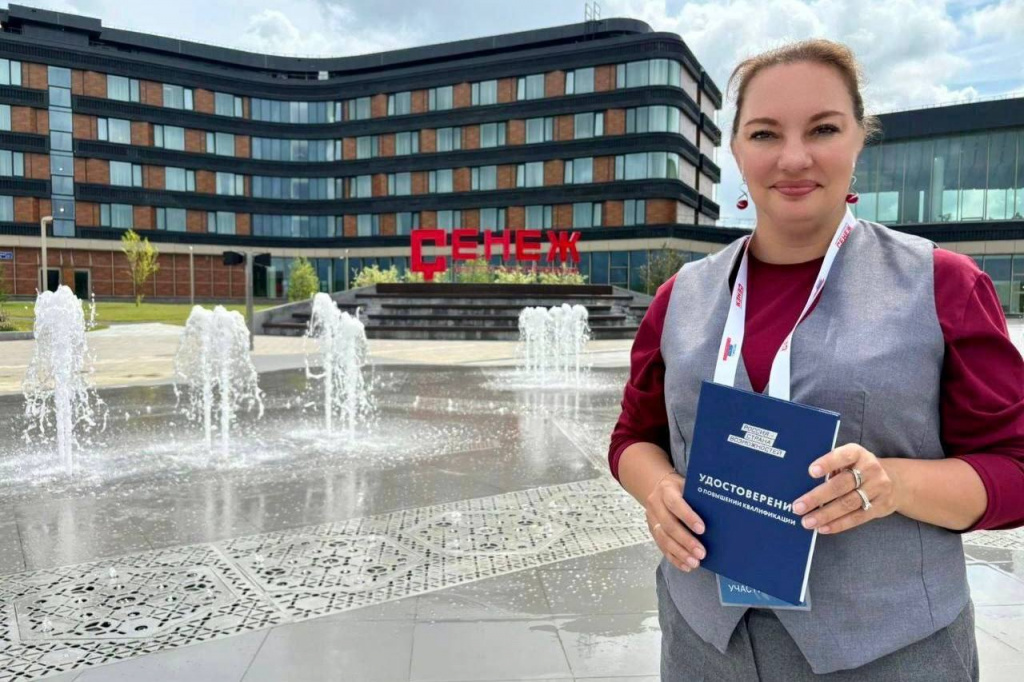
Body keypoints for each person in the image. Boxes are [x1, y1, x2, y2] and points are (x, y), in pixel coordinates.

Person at [609, 39, 1024, 681]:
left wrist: (894, 484)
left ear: (859, 139)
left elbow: (1015, 466)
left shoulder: (942, 284)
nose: (794, 157)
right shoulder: (680, 296)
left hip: (889, 652)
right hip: (703, 645)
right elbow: (633, 437)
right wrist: (658, 487)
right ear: (737, 152)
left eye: (823, 129)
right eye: (765, 133)